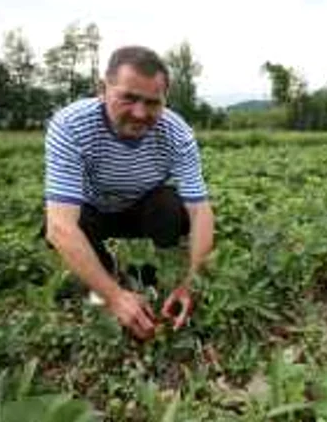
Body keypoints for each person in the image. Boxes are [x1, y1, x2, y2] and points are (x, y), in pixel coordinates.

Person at [41, 45, 215, 341]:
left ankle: (151, 276)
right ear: (103, 89)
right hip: (94, 208)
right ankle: (107, 280)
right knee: (61, 223)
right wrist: (114, 297)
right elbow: (61, 226)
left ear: (164, 100)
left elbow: (200, 211)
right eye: (129, 98)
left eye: (152, 103)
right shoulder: (70, 124)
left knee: (171, 205)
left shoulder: (177, 132)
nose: (140, 113)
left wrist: (192, 282)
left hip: (141, 207)